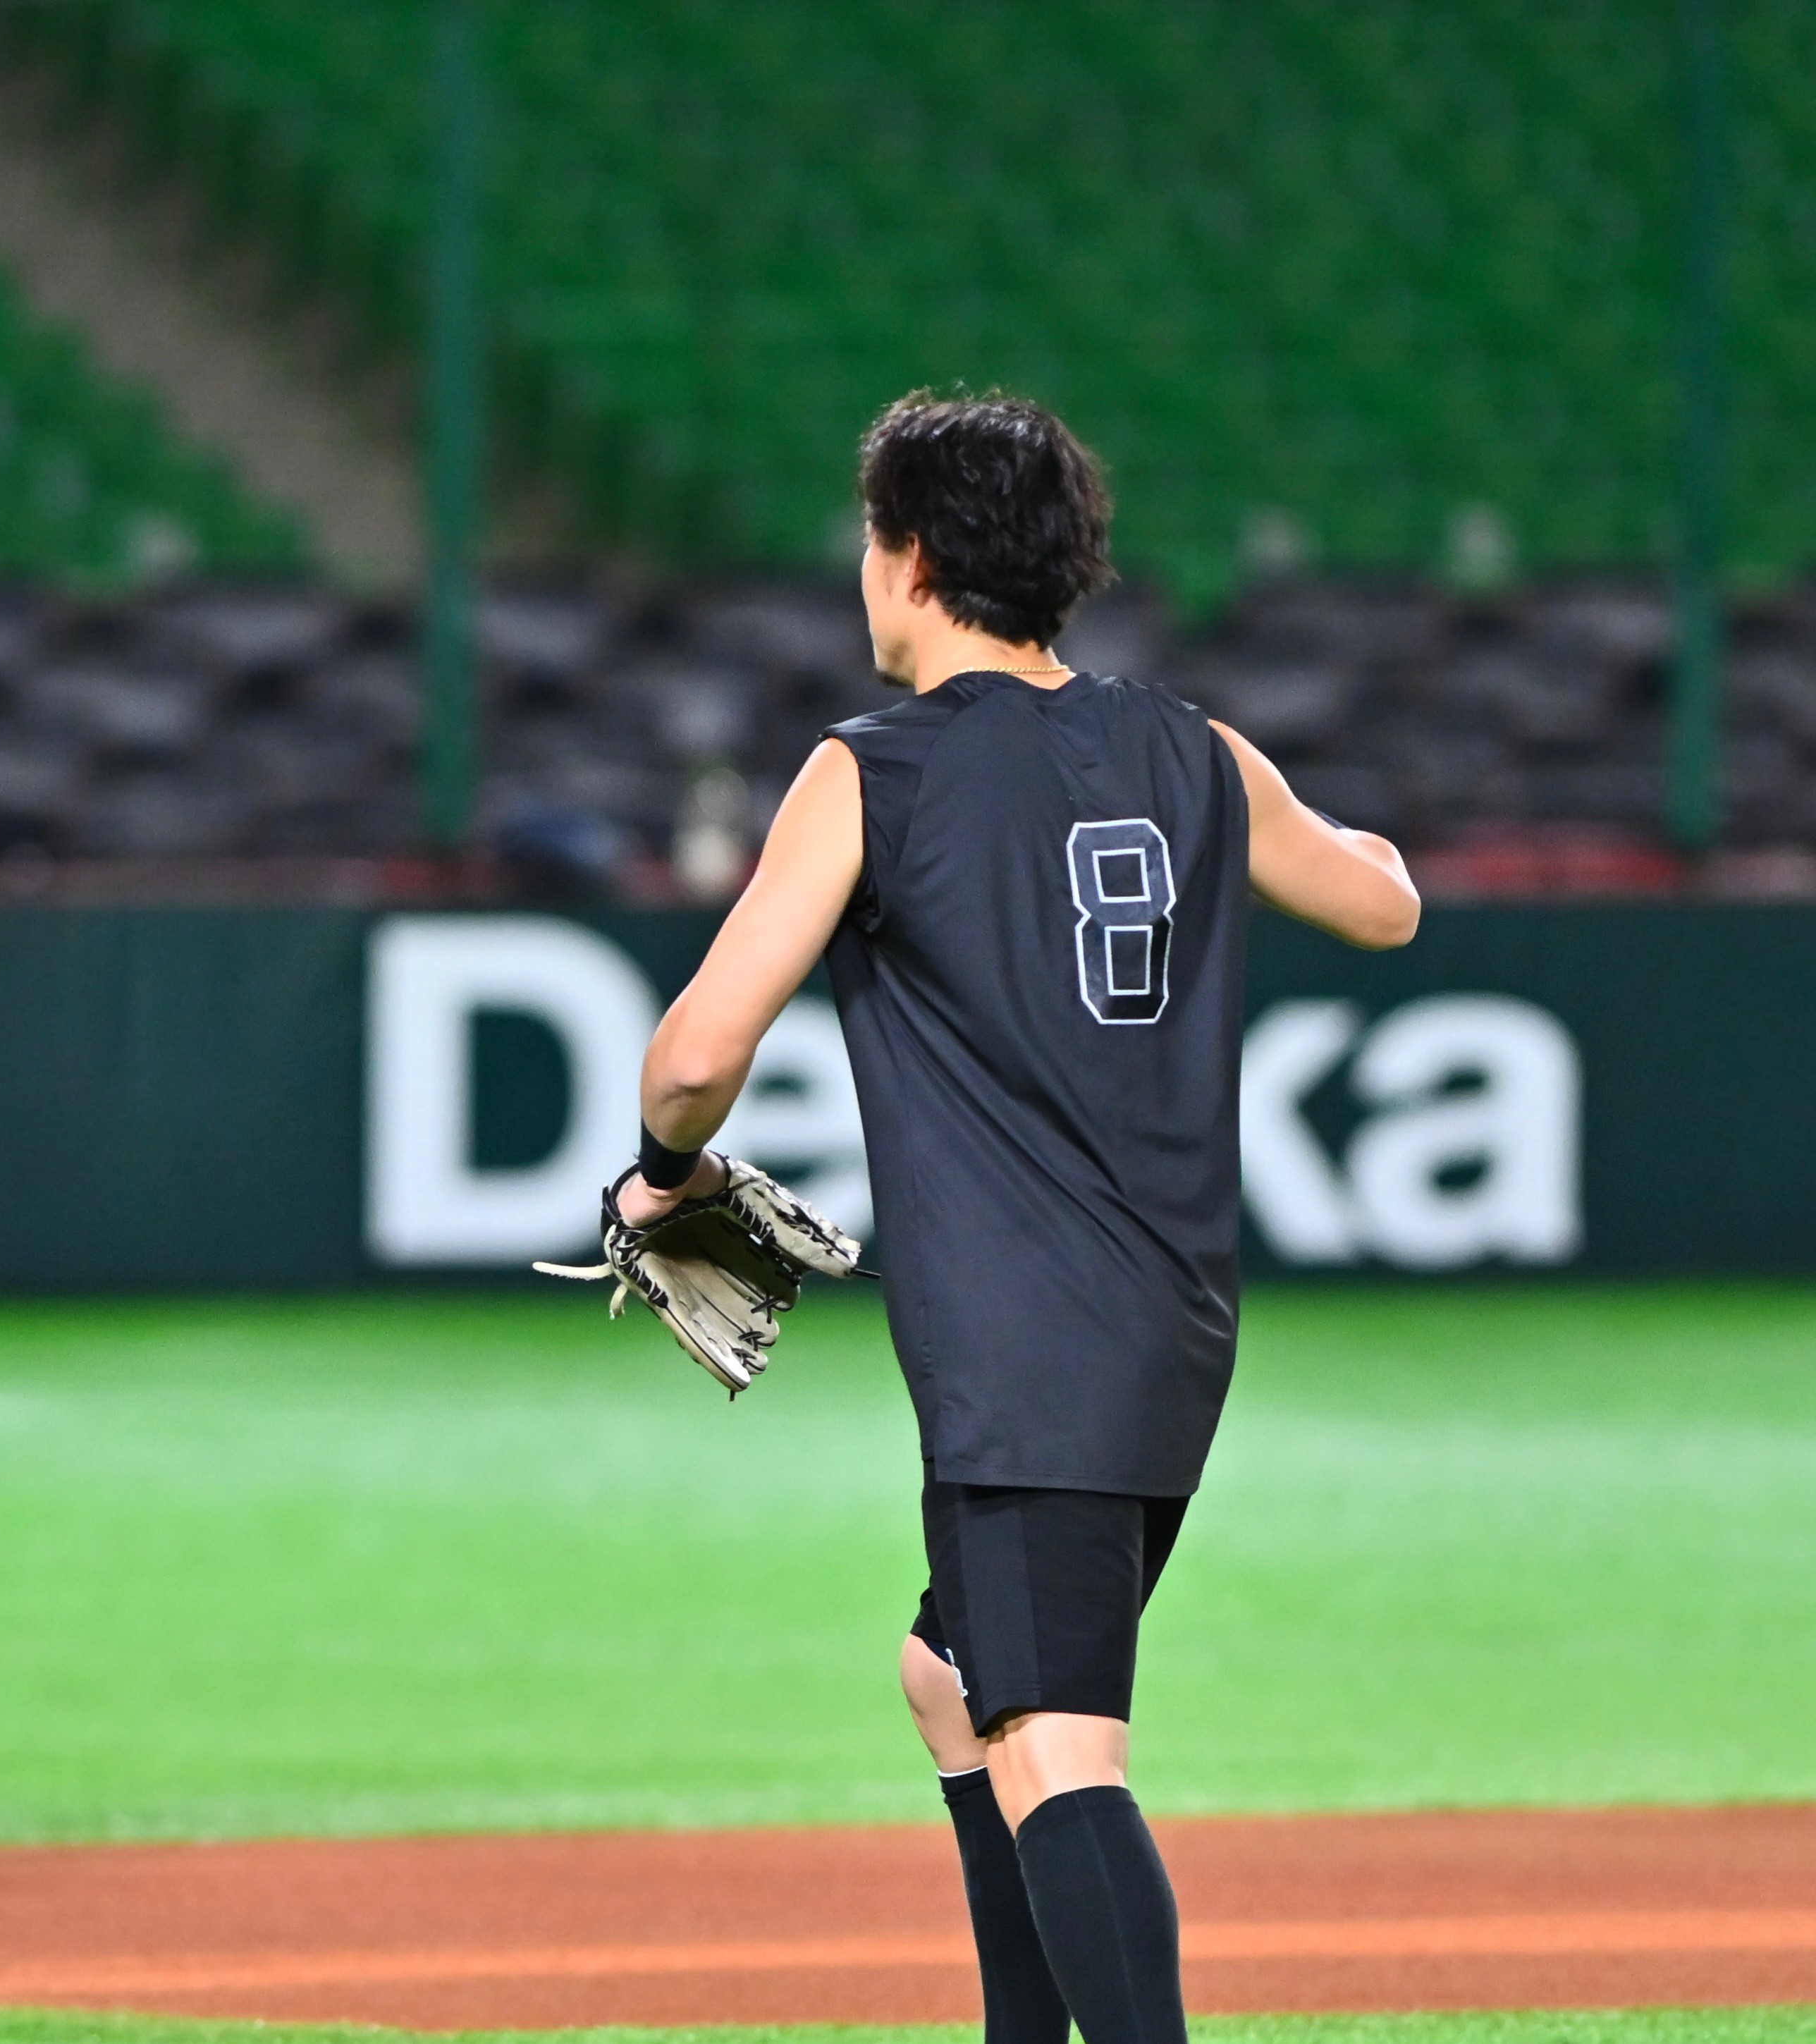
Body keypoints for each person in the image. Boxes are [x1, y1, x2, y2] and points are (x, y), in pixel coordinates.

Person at [623, 391, 1419, 2043]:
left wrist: (662, 1173)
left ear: (910, 561)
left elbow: (697, 1055)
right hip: (1169, 1324)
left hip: (1024, 1345)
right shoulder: (1195, 750)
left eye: (869, 542)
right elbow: (1383, 899)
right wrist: (1335, 832)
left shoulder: (871, 770)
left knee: (1057, 1739)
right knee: (950, 1680)